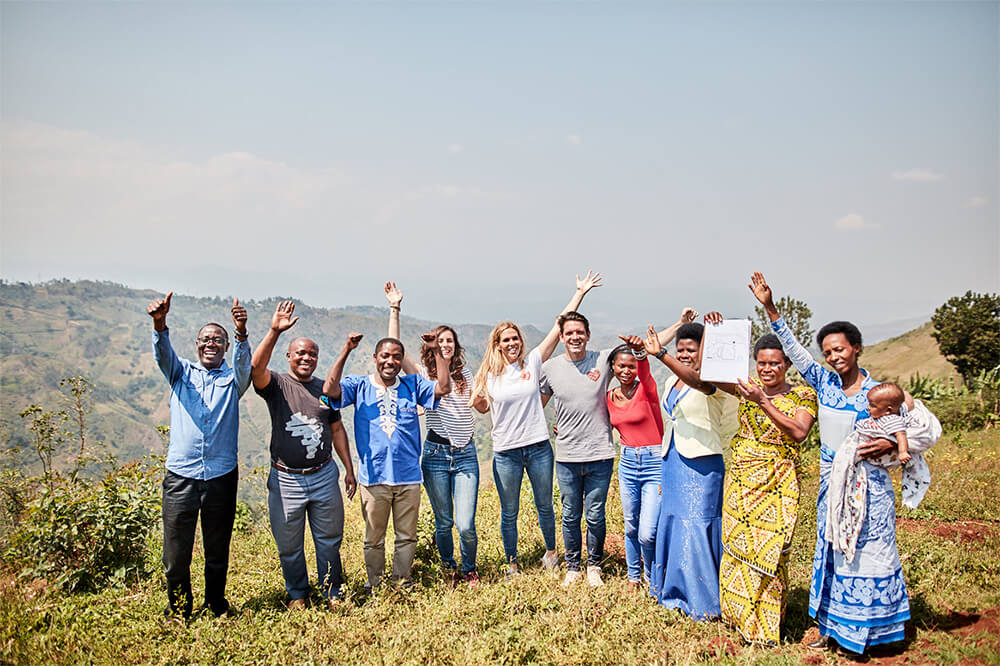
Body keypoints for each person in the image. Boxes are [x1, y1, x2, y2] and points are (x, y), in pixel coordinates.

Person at [749, 271, 918, 654]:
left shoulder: (880, 394)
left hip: (870, 488)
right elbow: (793, 350)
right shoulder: (823, 383)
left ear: (856, 349)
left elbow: (917, 428)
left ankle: (874, 633)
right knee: (833, 550)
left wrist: (888, 445)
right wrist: (770, 307)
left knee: (868, 554)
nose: (833, 357)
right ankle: (832, 628)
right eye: (827, 352)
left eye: (839, 349)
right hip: (832, 485)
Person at [470, 272, 603, 577]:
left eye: (515, 338)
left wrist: (579, 293)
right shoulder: (489, 375)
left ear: (521, 341)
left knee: (545, 504)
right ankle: (512, 563)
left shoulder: (532, 361)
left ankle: (551, 554)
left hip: (538, 447)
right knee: (509, 511)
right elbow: (483, 407)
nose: (512, 343)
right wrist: (475, 400)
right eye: (506, 340)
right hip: (506, 452)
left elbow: (559, 328)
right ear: (498, 345)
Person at [322, 327, 451, 589]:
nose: (390, 361)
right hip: (374, 477)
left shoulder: (412, 385)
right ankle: (376, 586)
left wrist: (436, 350)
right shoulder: (359, 386)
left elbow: (443, 387)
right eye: (385, 356)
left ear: (401, 360)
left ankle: (402, 583)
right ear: (375, 358)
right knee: (374, 539)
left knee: (407, 536)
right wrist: (347, 349)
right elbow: (329, 389)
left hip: (408, 477)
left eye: (396, 357)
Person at [148, 291, 251, 619]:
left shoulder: (233, 380)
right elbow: (163, 353)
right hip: (181, 476)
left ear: (226, 346)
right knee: (175, 552)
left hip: (221, 475)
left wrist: (241, 332)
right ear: (196, 344)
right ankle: (179, 609)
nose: (211, 343)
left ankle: (216, 605)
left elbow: (244, 364)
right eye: (205, 339)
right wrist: (160, 323)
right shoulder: (181, 373)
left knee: (217, 548)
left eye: (218, 340)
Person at [250, 301, 357, 610]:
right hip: (286, 480)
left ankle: (332, 591)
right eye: (300, 353)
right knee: (289, 545)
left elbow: (337, 429)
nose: (306, 358)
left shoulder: (325, 389)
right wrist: (274, 331)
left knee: (329, 540)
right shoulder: (277, 384)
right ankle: (298, 594)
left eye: (312, 354)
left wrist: (348, 469)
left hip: (324, 475)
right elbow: (256, 370)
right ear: (289, 356)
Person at [716, 334, 818, 646]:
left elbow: (799, 431)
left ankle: (765, 628)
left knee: (772, 550)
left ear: (787, 364)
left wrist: (762, 401)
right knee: (738, 546)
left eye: (775, 363)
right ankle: (738, 619)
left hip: (778, 483)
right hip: (742, 480)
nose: (767, 369)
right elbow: (705, 376)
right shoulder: (747, 387)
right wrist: (713, 335)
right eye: (762, 363)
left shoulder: (803, 395)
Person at [384, 281, 480, 585]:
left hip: (466, 454)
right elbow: (394, 349)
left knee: (465, 524)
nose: (446, 344)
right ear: (432, 346)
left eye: (450, 340)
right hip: (436, 454)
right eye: (440, 341)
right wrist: (395, 308)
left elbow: (478, 404)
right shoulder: (423, 376)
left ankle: (469, 568)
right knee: (444, 521)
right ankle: (450, 567)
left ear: (456, 346)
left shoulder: (466, 374)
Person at [646, 313, 732, 619]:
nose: (684, 354)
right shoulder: (671, 380)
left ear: (702, 351)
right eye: (680, 349)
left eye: (691, 349)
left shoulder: (713, 381)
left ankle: (701, 599)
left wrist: (664, 353)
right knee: (673, 521)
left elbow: (699, 381)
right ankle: (673, 591)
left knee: (696, 523)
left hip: (701, 462)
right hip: (672, 458)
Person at [827, 382, 938, 564]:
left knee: (875, 532)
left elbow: (902, 433)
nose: (868, 408)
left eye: (872, 406)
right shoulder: (878, 405)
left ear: (888, 410)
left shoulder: (891, 415)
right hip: (858, 464)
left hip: (875, 477)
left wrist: (898, 448)